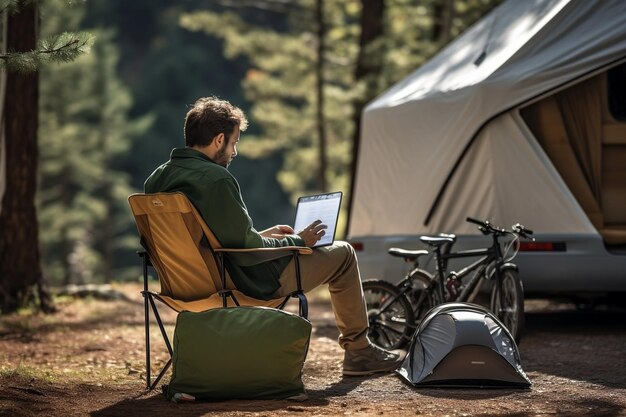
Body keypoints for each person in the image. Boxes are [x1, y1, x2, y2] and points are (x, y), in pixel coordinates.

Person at [144, 96, 403, 376]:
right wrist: (298, 241)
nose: (234, 151)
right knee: (343, 253)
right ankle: (360, 352)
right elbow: (248, 250)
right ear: (219, 140)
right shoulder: (217, 179)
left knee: (315, 248)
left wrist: (262, 235)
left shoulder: (156, 180)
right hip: (245, 283)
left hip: (179, 287)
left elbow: (212, 239)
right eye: (234, 143)